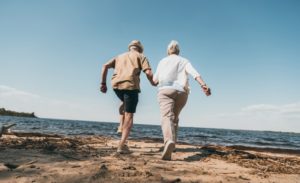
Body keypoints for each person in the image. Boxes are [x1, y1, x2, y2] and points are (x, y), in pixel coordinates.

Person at [153, 40, 211, 160]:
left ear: (168, 51)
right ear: (178, 51)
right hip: (182, 92)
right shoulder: (184, 60)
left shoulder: (162, 61)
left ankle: (169, 141)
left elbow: (155, 80)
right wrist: (203, 85)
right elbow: (194, 73)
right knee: (175, 118)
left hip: (165, 90)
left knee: (166, 116)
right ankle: (173, 144)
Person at [100, 40, 156, 154]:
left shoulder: (119, 56)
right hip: (130, 86)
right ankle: (122, 145)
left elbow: (105, 66)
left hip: (116, 86)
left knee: (125, 104)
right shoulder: (141, 56)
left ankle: (121, 126)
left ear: (130, 47)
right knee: (129, 115)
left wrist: (103, 83)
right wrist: (153, 83)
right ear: (140, 49)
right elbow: (149, 73)